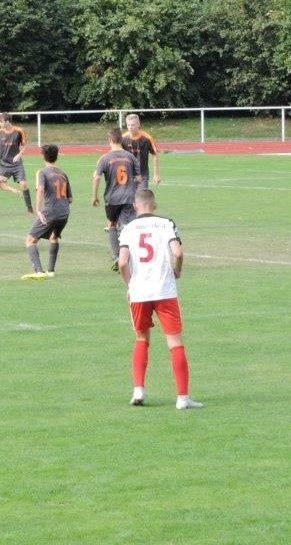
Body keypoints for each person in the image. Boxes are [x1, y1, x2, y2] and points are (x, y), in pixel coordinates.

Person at [118, 188, 202, 410]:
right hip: (164, 291)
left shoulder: (128, 228)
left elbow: (122, 262)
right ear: (154, 206)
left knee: (141, 338)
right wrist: (178, 270)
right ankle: (182, 397)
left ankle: (138, 390)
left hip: (139, 292)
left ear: (135, 206)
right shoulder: (166, 224)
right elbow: (178, 253)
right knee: (175, 342)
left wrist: (129, 285)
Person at [21, 144, 72, 280]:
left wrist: (38, 209)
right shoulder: (63, 174)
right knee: (54, 237)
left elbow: (41, 189)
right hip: (64, 213)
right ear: (56, 157)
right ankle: (51, 271)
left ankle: (39, 271)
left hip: (50, 212)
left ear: (43, 156)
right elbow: (70, 199)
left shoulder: (42, 172)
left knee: (30, 240)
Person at [92, 126, 140, 270]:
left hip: (112, 198)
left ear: (110, 140)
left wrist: (94, 196)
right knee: (128, 227)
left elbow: (96, 177)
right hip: (128, 197)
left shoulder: (105, 158)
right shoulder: (130, 157)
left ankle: (118, 256)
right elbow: (138, 178)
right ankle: (131, 256)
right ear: (121, 140)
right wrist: (131, 187)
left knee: (112, 224)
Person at [0, 113, 34, 213]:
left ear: (7, 121)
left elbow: (24, 146)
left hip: (16, 165)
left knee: (23, 184)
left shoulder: (19, 131)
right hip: (3, 164)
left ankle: (29, 207)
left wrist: (19, 155)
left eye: (1, 122)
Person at [122, 113, 161, 188]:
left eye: (133, 125)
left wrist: (156, 174)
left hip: (142, 175)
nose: (130, 127)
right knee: (128, 196)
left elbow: (155, 154)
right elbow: (116, 154)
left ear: (138, 124)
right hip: (127, 174)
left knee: (142, 195)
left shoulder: (147, 138)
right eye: (128, 125)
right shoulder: (123, 138)